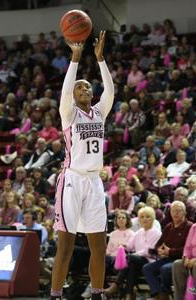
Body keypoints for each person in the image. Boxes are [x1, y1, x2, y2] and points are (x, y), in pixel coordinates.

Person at [51, 30, 114, 300]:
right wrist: (75, 59)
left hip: (94, 181)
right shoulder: (69, 112)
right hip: (72, 180)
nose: (85, 88)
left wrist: (100, 60)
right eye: (80, 86)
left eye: (88, 86)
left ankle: (97, 294)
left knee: (98, 246)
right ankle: (55, 294)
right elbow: (65, 92)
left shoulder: (99, 112)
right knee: (65, 246)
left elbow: (110, 90)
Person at [142, 201, 193, 300]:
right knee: (147, 268)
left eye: (179, 211)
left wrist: (170, 251)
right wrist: (159, 250)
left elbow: (189, 248)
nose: (176, 213)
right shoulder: (169, 226)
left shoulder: (190, 227)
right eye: (173, 211)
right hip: (166, 258)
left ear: (184, 212)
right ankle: (159, 294)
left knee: (165, 269)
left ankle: (164, 293)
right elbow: (158, 244)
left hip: (181, 260)